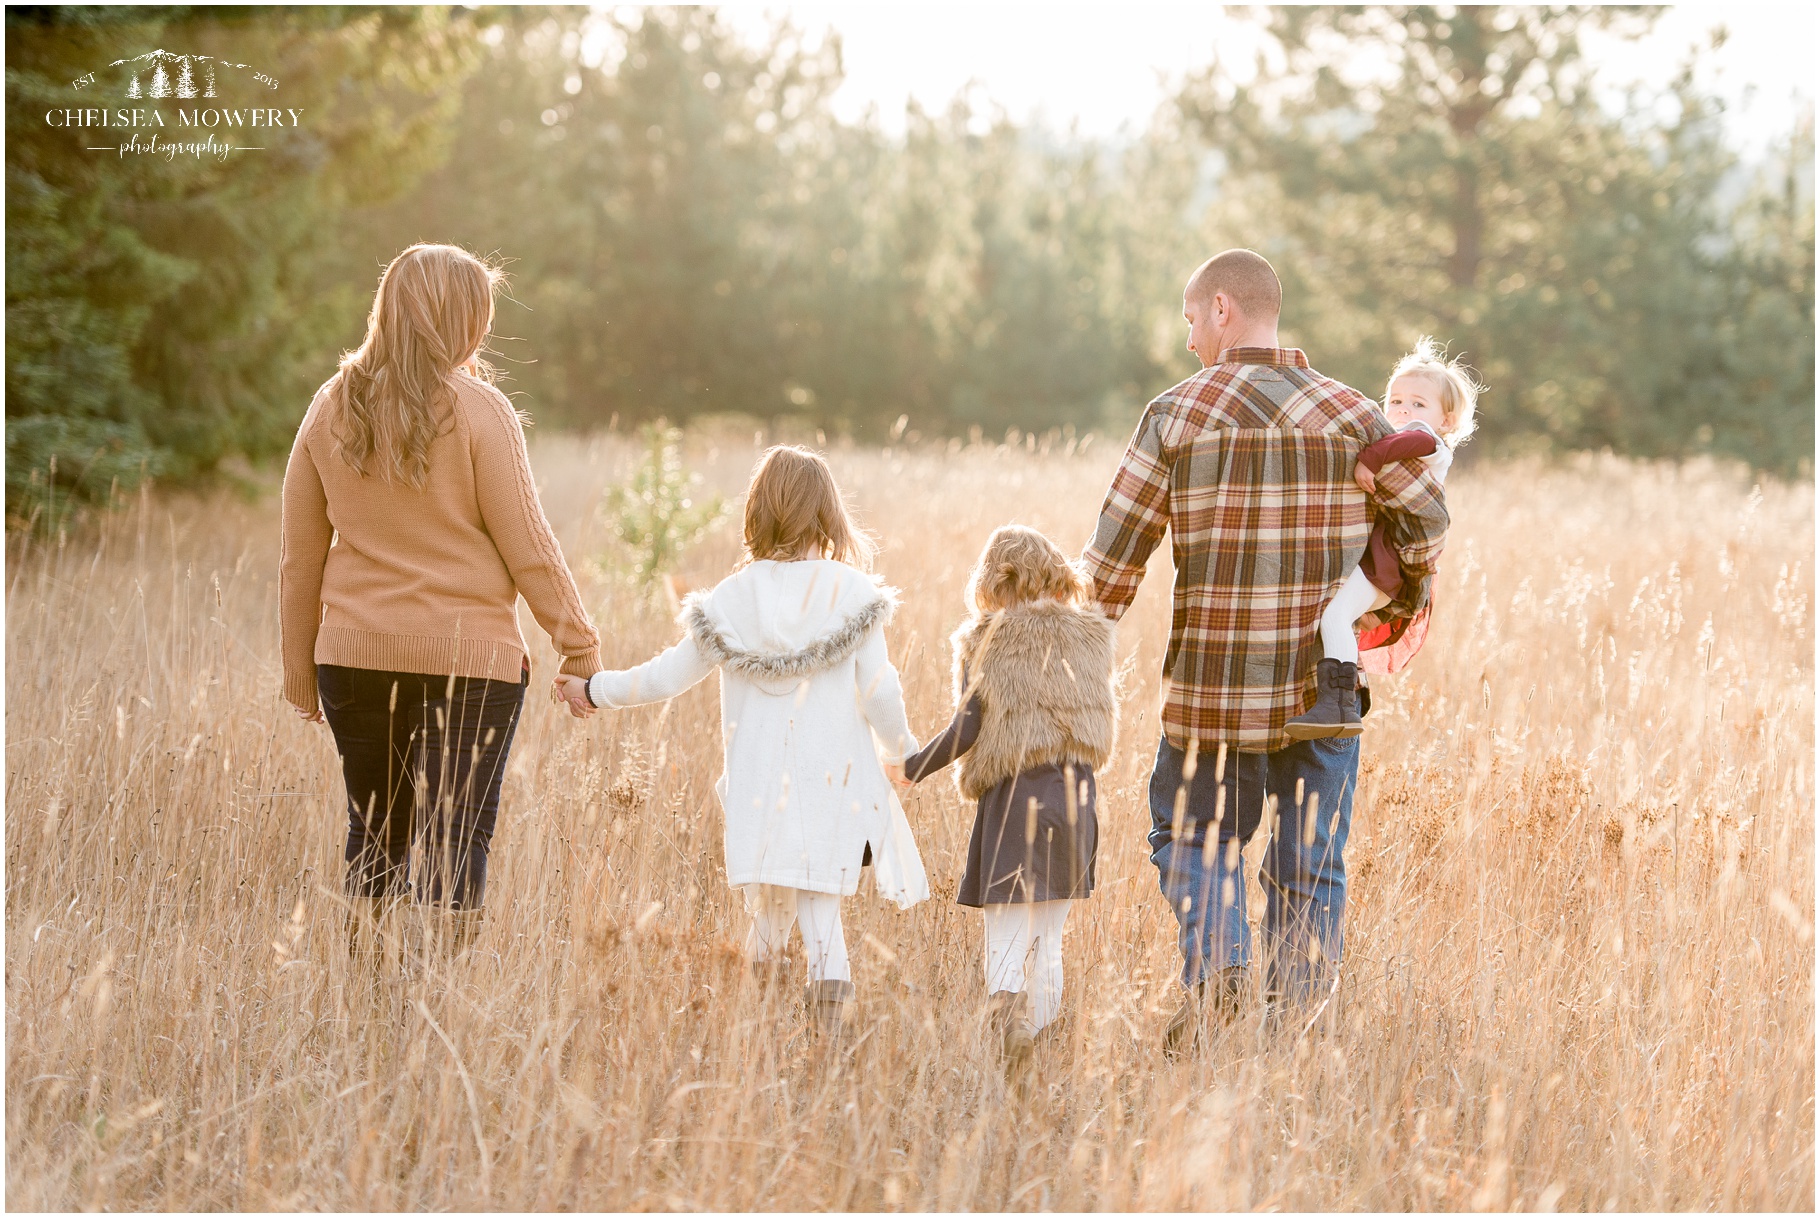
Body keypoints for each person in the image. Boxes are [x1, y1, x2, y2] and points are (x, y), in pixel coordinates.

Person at [1080, 248, 1450, 1054]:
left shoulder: (1176, 414)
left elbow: (1110, 563)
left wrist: (1076, 641)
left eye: (1190, 322)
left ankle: (1218, 983)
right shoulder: (1355, 415)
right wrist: (1385, 592)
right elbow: (1430, 519)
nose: (1188, 343)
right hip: (1328, 687)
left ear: (1222, 309)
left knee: (1194, 838)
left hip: (1212, 693)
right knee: (1309, 865)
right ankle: (1297, 1036)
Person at [280, 243, 602, 967]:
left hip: (353, 662)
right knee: (458, 841)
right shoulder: (480, 410)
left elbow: (300, 559)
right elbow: (529, 544)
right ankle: (438, 1010)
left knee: (376, 834)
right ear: (461, 321)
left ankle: (370, 1005)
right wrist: (578, 646)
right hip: (472, 665)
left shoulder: (330, 405)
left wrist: (299, 671)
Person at [555, 446, 923, 1035]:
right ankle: (827, 1060)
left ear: (757, 512)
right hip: (830, 787)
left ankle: (750, 1046)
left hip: (758, 791)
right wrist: (903, 752)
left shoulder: (730, 599)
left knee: (770, 916)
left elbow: (664, 678)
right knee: (820, 915)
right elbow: (880, 691)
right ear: (826, 513)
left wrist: (593, 688)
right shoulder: (850, 593)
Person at [902, 526, 1118, 1070]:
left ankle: (1010, 1035)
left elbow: (967, 727)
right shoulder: (1090, 638)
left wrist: (910, 769)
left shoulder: (990, 639)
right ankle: (1039, 1046)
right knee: (1049, 938)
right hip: (1076, 805)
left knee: (1005, 931)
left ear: (997, 583)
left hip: (1014, 803)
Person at [1286, 336, 1480, 737]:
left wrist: (1372, 458)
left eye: (1418, 404)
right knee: (1336, 617)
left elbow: (1412, 439)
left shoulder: (1431, 444)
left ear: (1446, 421)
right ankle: (1337, 701)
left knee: (1335, 614)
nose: (1403, 410)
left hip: (1386, 563)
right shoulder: (1398, 441)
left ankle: (1336, 705)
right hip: (1375, 561)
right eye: (1395, 400)